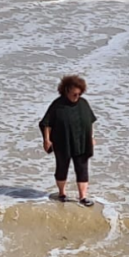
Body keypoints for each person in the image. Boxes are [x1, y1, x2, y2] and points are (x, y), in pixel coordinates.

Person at [39, 74, 97, 206]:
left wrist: (91, 137)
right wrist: (46, 140)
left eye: (79, 94)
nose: (76, 97)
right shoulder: (57, 105)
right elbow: (46, 123)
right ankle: (62, 193)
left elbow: (90, 122)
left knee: (82, 168)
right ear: (66, 91)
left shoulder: (83, 104)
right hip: (62, 141)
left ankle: (83, 197)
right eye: (74, 94)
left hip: (81, 141)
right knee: (62, 167)